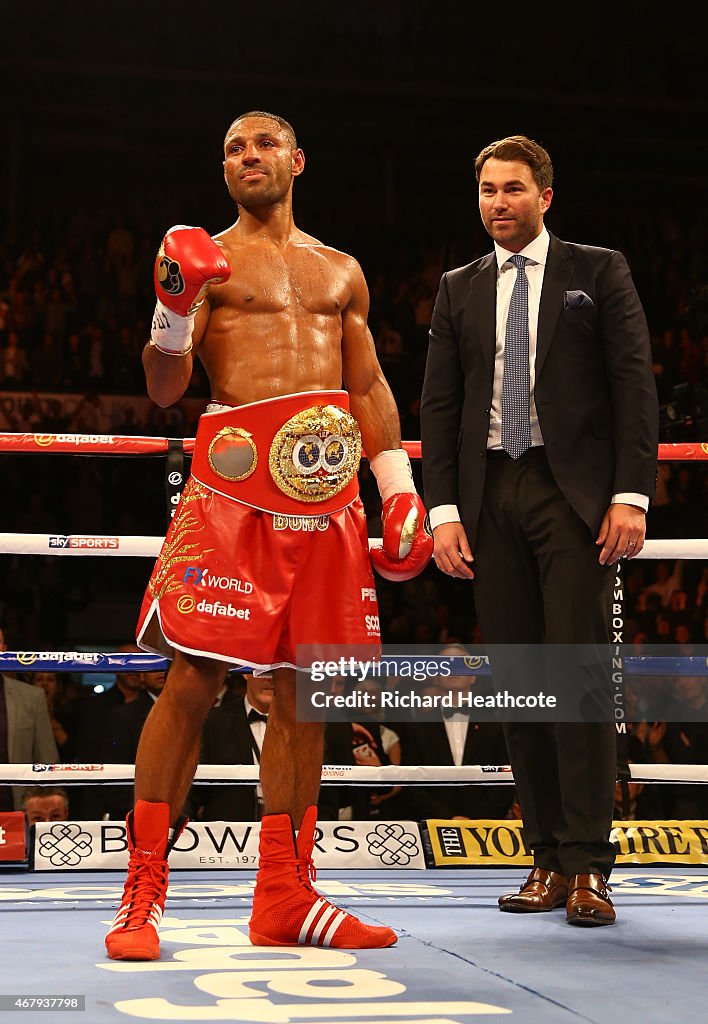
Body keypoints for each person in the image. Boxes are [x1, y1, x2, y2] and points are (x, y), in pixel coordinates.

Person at [106, 110, 432, 961]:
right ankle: (142, 894)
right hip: (234, 491)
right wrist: (172, 307)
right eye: (231, 149)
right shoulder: (207, 260)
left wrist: (398, 488)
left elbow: (366, 386)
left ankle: (286, 894)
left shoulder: (341, 271)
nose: (246, 158)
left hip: (326, 498)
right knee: (192, 683)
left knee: (303, 695)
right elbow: (164, 388)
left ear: (296, 159)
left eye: (260, 145)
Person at [420, 135, 659, 926]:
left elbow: (633, 386)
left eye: (513, 189)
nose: (498, 203)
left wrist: (630, 494)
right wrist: (444, 510)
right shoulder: (458, 288)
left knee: (577, 676)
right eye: (487, 189)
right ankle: (547, 857)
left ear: (545, 196)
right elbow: (441, 408)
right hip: (490, 493)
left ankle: (592, 864)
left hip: (574, 493)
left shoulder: (598, 270)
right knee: (522, 678)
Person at [186, 673, 274, 822]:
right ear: (246, 673)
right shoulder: (213, 722)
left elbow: (325, 795)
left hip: (297, 834)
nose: (270, 678)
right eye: (263, 670)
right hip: (226, 836)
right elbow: (190, 792)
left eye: (276, 670)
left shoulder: (311, 727)